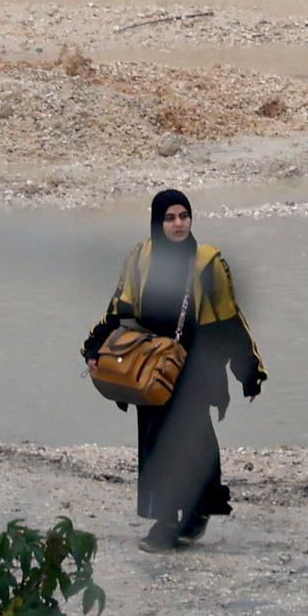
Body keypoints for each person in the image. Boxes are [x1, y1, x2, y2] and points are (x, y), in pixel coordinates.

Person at [84, 189, 265, 553]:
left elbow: (229, 318)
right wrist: (95, 347)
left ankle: (187, 514)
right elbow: (119, 307)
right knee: (156, 439)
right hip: (151, 365)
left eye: (184, 216)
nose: (179, 223)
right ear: (157, 222)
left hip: (197, 366)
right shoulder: (141, 257)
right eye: (170, 218)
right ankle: (171, 516)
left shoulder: (208, 262)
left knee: (193, 438)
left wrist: (249, 368)